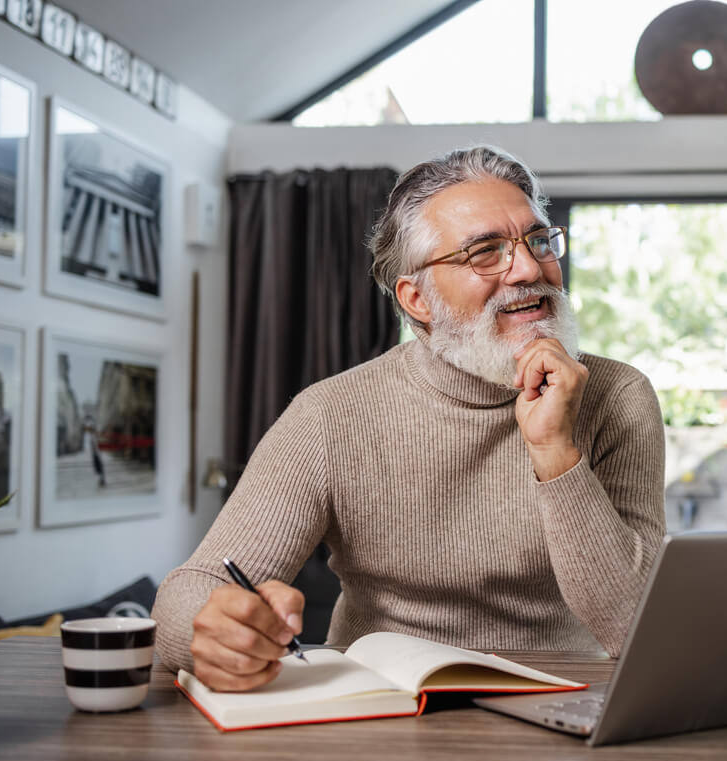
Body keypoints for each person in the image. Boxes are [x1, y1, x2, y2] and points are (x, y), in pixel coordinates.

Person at [152, 146, 666, 691]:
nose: (529, 268)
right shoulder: (331, 415)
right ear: (416, 298)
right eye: (485, 252)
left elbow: (638, 628)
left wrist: (554, 451)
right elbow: (187, 595)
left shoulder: (619, 396)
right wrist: (212, 631)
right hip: (381, 707)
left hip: (564, 704)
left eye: (537, 240)